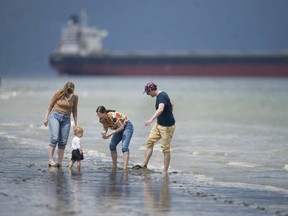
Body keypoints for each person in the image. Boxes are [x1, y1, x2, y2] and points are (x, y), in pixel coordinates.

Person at [135, 82, 175, 175]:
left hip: (167, 127)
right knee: (149, 141)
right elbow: (171, 104)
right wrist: (169, 114)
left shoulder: (161, 96)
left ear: (151, 90)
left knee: (166, 149)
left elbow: (161, 109)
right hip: (159, 124)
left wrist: (150, 119)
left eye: (148, 92)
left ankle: (165, 171)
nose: (148, 94)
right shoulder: (161, 95)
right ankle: (144, 164)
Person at [44, 82, 78, 167]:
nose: (69, 93)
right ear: (65, 89)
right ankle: (50, 160)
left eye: (71, 92)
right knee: (54, 138)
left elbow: (75, 110)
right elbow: (50, 105)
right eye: (68, 92)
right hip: (55, 116)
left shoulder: (75, 96)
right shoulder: (59, 93)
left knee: (63, 141)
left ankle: (60, 162)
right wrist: (46, 118)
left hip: (66, 118)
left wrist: (75, 124)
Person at [96, 105, 134, 171]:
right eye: (98, 115)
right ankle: (114, 166)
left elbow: (121, 127)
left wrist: (110, 135)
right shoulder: (102, 120)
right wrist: (104, 133)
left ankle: (125, 168)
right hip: (118, 129)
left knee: (124, 147)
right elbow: (105, 128)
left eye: (100, 115)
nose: (99, 117)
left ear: (104, 112)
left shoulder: (112, 116)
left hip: (126, 127)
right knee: (112, 146)